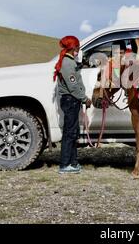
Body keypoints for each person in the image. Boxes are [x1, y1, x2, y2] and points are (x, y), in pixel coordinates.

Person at [53, 35, 92, 174]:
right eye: (78, 48)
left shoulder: (69, 62)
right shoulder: (68, 63)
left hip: (71, 100)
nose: (78, 50)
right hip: (71, 100)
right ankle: (64, 164)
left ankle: (73, 162)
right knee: (70, 133)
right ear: (73, 48)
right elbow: (73, 85)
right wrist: (84, 98)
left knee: (73, 131)